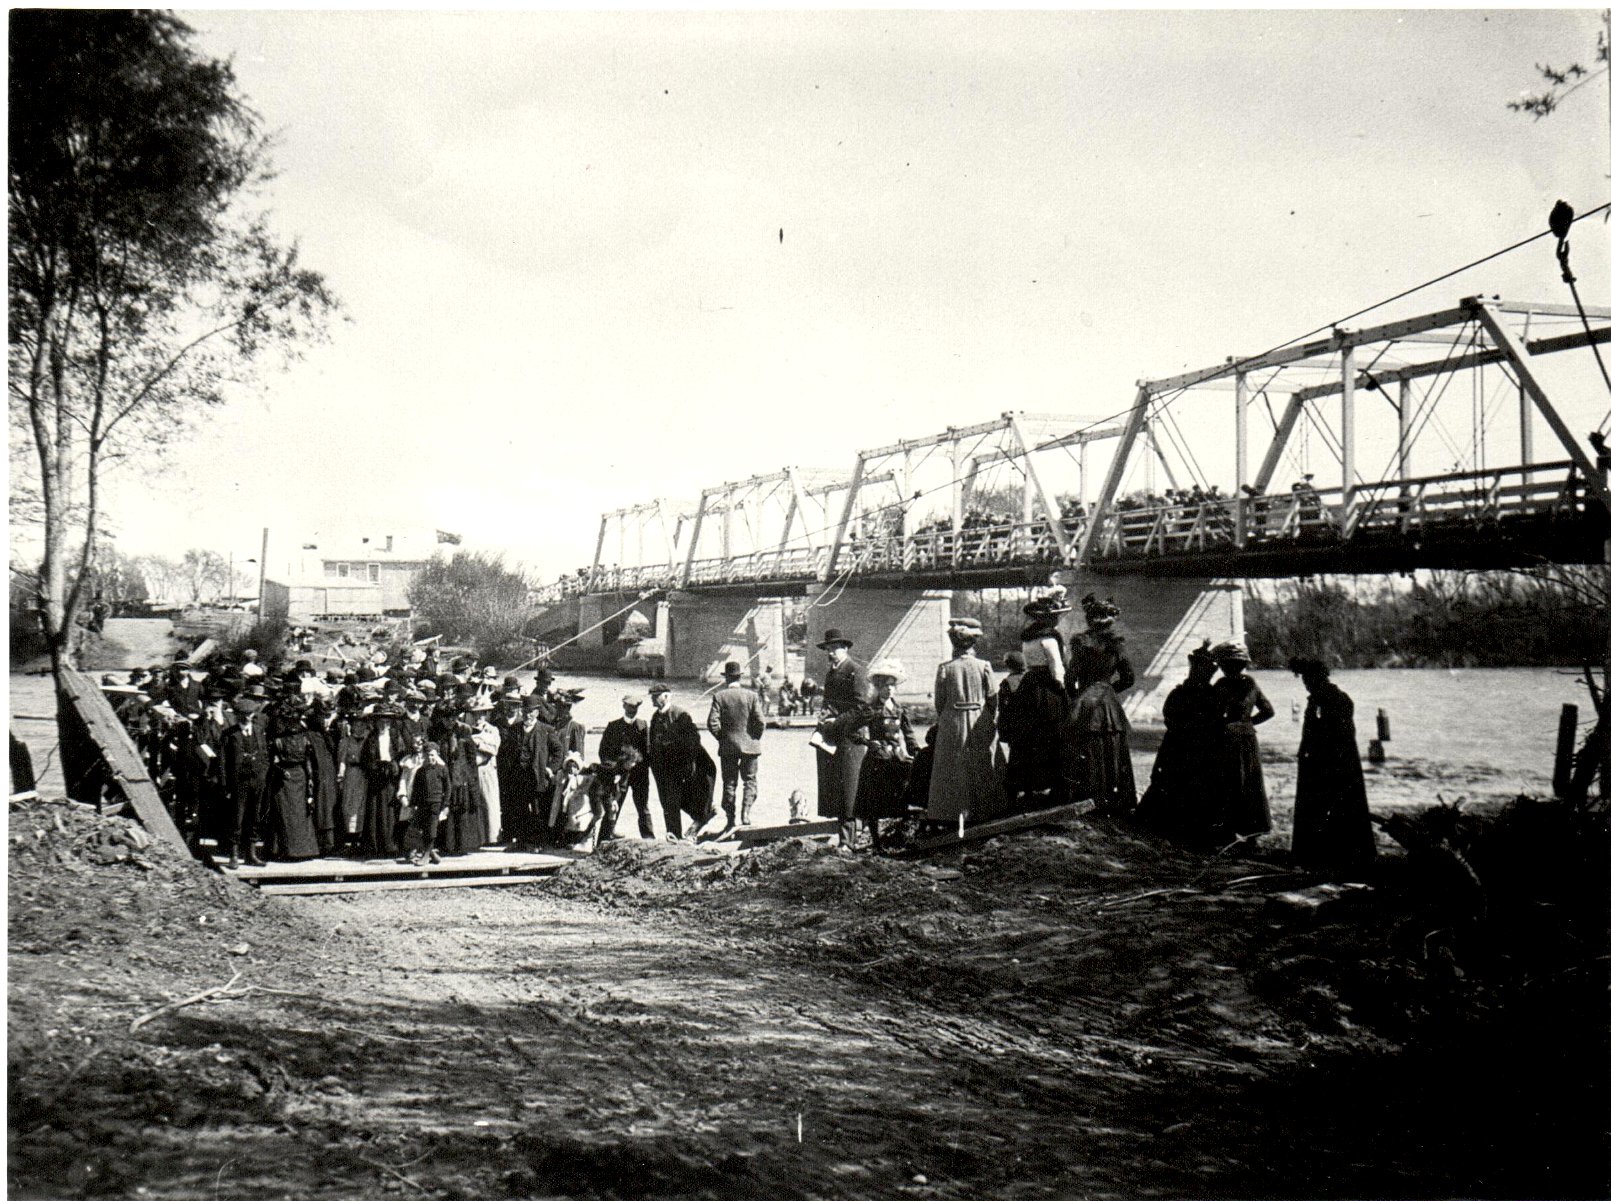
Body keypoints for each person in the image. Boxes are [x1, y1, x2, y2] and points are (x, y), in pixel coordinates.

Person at [1290, 657, 1375, 877]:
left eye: (1308, 680)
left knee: (1337, 807)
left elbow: (1341, 735)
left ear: (1318, 678)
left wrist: (1319, 752)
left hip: (1336, 763)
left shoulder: (1336, 700)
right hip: (1319, 762)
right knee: (1316, 809)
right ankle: (1317, 854)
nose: (1306, 684)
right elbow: (1309, 732)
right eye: (1304, 680)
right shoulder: (1318, 700)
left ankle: (1341, 855)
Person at [1134, 641, 1221, 847]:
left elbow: (1212, 720)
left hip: (1193, 745)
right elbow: (1169, 716)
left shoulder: (1209, 695)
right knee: (1172, 781)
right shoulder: (1184, 692)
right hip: (1182, 744)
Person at [928, 617, 1003, 831]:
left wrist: (950, 716)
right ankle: (983, 811)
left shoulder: (945, 668)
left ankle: (951, 814)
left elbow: (939, 703)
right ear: (973, 644)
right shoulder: (984, 666)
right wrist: (986, 717)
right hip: (979, 719)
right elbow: (993, 698)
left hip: (952, 720)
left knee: (952, 768)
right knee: (980, 764)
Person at [1065, 594, 1137, 815]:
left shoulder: (1080, 643)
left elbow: (1070, 677)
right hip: (1108, 700)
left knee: (1084, 746)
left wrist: (1078, 696)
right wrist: (1108, 691)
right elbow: (1129, 678)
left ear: (1088, 620)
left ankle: (1086, 795)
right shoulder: (1116, 645)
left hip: (1085, 699)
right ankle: (1113, 797)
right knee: (1113, 745)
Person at [846, 659, 919, 853]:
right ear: (878, 688)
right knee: (873, 803)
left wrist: (915, 751)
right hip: (877, 760)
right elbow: (850, 730)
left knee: (901, 798)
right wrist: (869, 743)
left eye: (892, 686)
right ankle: (877, 842)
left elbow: (909, 733)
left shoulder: (899, 709)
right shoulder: (871, 709)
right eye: (886, 686)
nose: (889, 690)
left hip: (896, 759)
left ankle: (901, 838)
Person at [1208, 641, 1275, 842]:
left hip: (1225, 737)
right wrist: (1247, 722)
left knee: (1227, 782)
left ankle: (1227, 829)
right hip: (1247, 738)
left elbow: (1211, 714)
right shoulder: (1250, 684)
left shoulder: (1220, 685)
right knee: (1250, 781)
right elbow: (1269, 711)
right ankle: (1252, 831)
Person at [812, 629, 873, 849]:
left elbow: (864, 709)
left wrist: (836, 722)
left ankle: (849, 842)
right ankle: (845, 839)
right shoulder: (832, 673)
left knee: (849, 790)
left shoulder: (856, 671)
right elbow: (830, 702)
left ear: (845, 648)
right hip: (833, 739)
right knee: (837, 789)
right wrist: (823, 717)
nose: (831, 653)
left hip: (851, 740)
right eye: (828, 649)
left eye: (835, 648)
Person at [647, 682, 714, 839]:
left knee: (677, 800)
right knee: (667, 803)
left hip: (679, 767)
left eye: (655, 697)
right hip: (662, 769)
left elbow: (693, 741)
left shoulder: (679, 714)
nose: (652, 700)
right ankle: (674, 835)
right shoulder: (656, 717)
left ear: (666, 696)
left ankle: (696, 821)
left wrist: (687, 766)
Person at [707, 661, 765, 835]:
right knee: (750, 781)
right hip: (750, 746)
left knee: (729, 783)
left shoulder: (720, 696)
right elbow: (760, 721)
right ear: (740, 677)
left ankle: (730, 819)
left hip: (728, 748)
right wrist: (753, 738)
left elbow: (712, 723)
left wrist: (723, 738)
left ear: (726, 678)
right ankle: (746, 814)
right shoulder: (752, 695)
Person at [263, 701, 320, 862]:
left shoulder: (304, 739)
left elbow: (308, 761)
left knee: (301, 813)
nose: (292, 726)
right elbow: (271, 761)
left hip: (300, 778)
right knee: (284, 813)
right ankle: (283, 849)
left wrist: (310, 781)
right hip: (283, 779)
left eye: (295, 722)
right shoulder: (277, 740)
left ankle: (303, 850)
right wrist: (280, 771)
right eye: (289, 722)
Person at [222, 696, 269, 868]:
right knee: (237, 818)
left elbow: (264, 755)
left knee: (254, 817)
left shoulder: (258, 730)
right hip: (238, 783)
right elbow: (223, 762)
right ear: (237, 716)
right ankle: (234, 855)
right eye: (243, 714)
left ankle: (251, 854)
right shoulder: (229, 734)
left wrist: (262, 773)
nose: (247, 717)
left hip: (257, 781)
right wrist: (226, 785)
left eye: (250, 714)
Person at [598, 695, 652, 839]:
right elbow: (603, 752)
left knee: (643, 808)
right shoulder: (613, 726)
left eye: (634, 708)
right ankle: (604, 840)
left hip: (639, 774)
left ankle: (649, 839)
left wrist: (638, 762)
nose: (632, 710)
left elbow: (648, 751)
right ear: (624, 707)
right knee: (614, 806)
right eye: (629, 707)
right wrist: (614, 769)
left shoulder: (643, 726)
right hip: (619, 775)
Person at [469, 696, 503, 844]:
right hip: (473, 769)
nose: (479, 717)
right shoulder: (468, 729)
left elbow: (494, 748)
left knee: (490, 802)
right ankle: (479, 837)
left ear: (487, 714)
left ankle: (493, 837)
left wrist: (478, 744)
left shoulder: (492, 730)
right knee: (476, 802)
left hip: (487, 769)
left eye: (482, 714)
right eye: (476, 714)